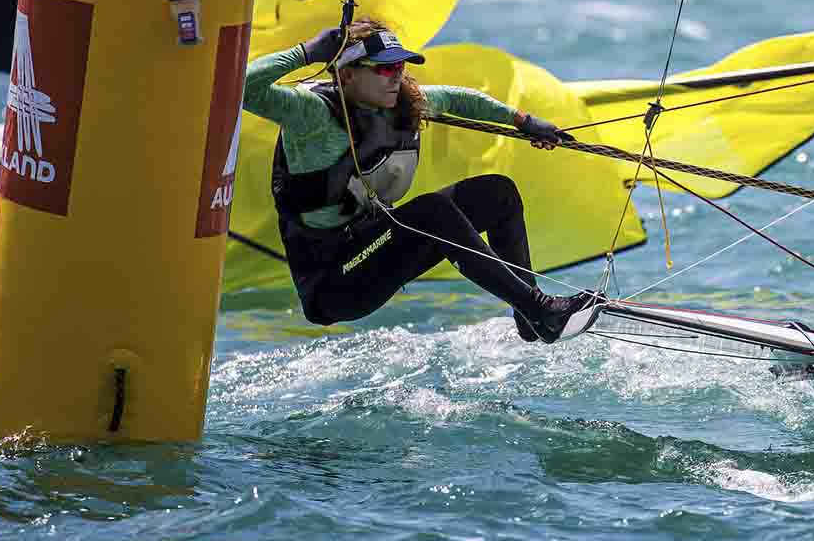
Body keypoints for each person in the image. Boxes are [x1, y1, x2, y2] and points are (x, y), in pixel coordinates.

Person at [242, 17, 598, 341]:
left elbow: (461, 100)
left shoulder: (402, 103)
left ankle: (532, 316)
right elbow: (241, 88)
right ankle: (542, 309)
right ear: (348, 74)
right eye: (384, 68)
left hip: (375, 247)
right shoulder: (310, 115)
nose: (396, 75)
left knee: (498, 193)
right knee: (431, 211)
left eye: (399, 66)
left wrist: (522, 120)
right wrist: (305, 52)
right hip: (334, 283)